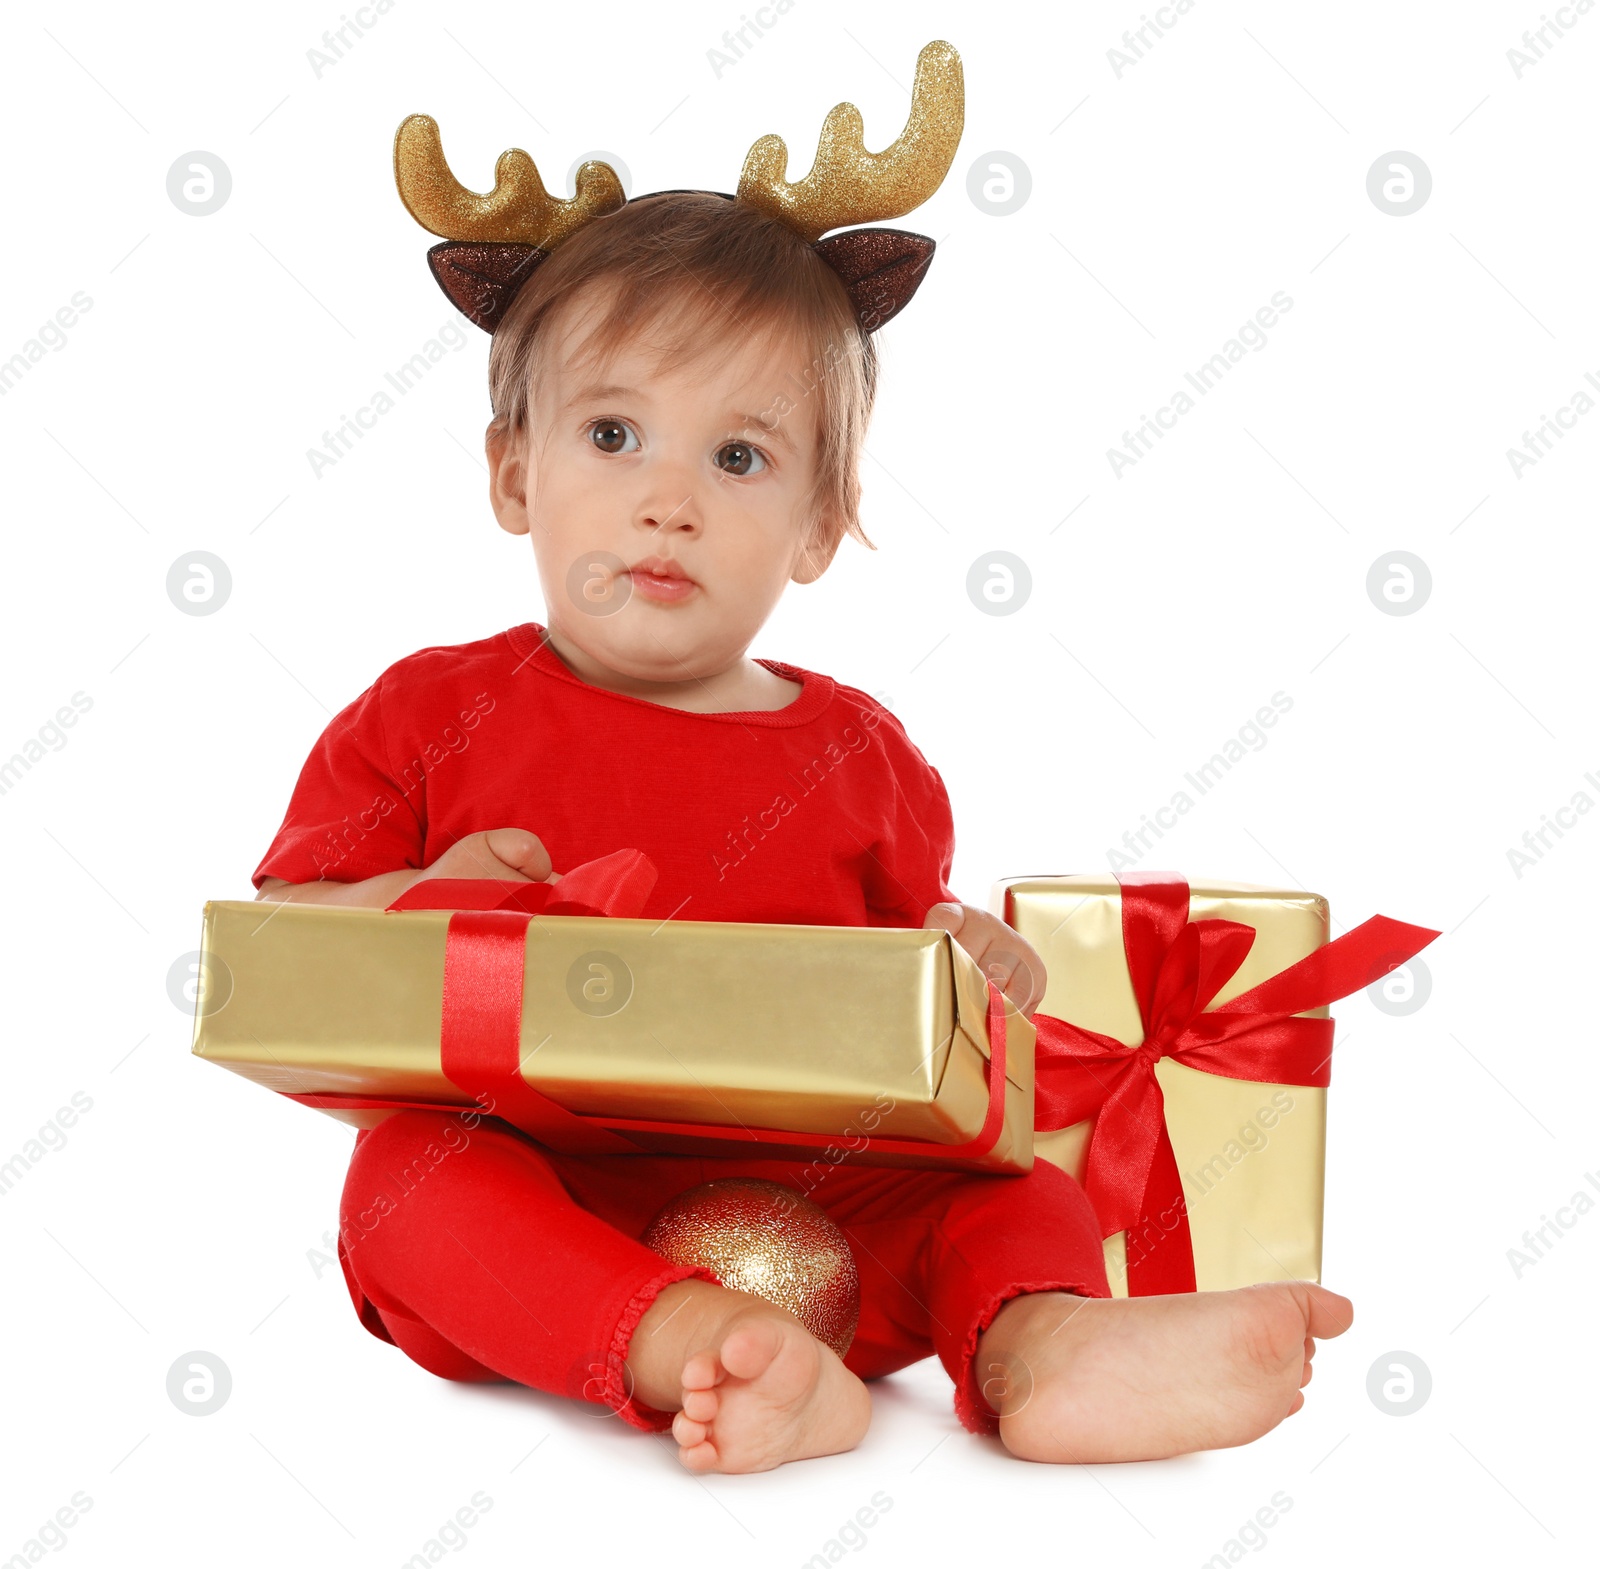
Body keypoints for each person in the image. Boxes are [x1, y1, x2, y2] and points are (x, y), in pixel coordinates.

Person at [252, 52, 1351, 1475]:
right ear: (515, 470)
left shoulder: (863, 756)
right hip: (550, 1199)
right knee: (406, 1182)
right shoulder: (421, 714)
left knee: (1003, 1186)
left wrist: (972, 968)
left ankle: (1046, 1343)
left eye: (742, 459)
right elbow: (277, 961)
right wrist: (428, 904)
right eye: (611, 433)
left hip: (833, 1213)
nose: (668, 500)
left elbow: (904, 1010)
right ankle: (681, 1342)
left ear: (823, 523)